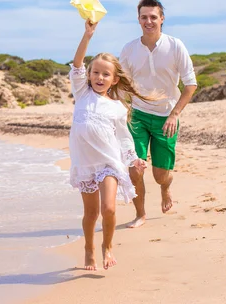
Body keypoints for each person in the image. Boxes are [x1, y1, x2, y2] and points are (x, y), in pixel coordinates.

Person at [69, 20, 151, 270]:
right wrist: (87, 36)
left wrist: (134, 159)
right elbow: (76, 65)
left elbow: (124, 138)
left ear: (115, 80)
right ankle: (88, 248)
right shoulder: (82, 93)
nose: (99, 77)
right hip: (85, 164)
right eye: (96, 72)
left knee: (109, 208)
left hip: (109, 163)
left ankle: (108, 246)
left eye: (106, 74)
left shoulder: (117, 107)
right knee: (91, 214)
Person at [119, 0, 197, 228]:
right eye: (144, 17)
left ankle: (165, 188)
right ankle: (140, 214)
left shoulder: (175, 46)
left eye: (154, 17)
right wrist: (122, 110)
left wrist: (174, 114)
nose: (149, 21)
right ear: (139, 19)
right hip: (138, 116)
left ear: (162, 19)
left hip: (166, 117)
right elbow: (122, 84)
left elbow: (190, 84)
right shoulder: (129, 49)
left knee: (160, 174)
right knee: (135, 169)